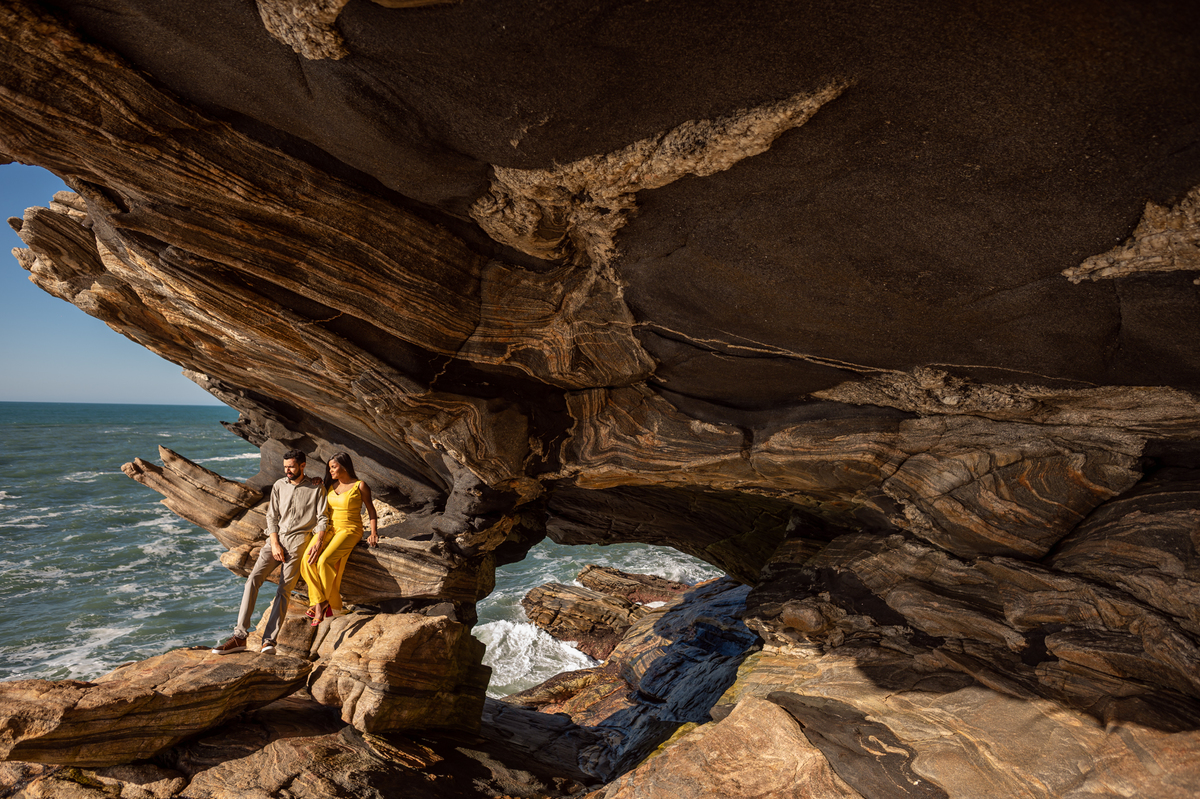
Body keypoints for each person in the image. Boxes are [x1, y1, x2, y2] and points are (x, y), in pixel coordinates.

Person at [211, 449, 328, 655]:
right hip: (275, 539)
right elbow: (271, 517)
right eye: (285, 467)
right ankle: (240, 636)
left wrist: (318, 541)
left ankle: (269, 642)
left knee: (284, 590)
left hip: (298, 542)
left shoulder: (316, 488)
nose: (287, 471)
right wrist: (274, 543)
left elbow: (322, 518)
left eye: (291, 467)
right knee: (253, 579)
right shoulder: (279, 486)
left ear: (302, 466)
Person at [301, 451, 378, 625]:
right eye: (329, 468)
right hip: (329, 529)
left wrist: (373, 533)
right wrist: (316, 481)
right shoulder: (330, 485)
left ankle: (323, 603)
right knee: (306, 561)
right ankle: (320, 601)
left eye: (334, 467)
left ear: (345, 466)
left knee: (324, 561)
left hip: (350, 529)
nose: (331, 471)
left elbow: (372, 511)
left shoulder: (360, 486)